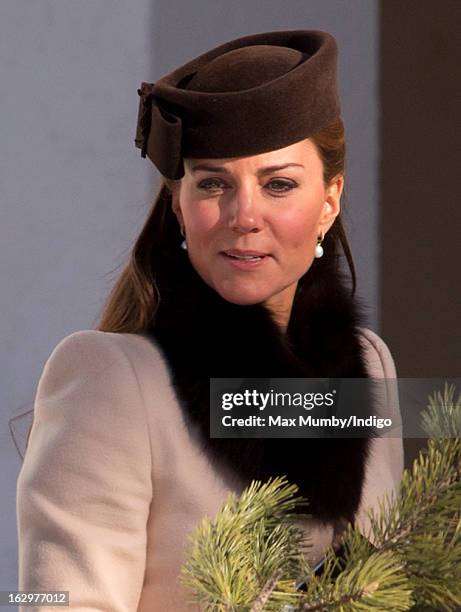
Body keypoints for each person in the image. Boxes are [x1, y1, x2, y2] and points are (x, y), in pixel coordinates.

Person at [16, 29, 404, 611]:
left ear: (329, 200)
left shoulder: (367, 363)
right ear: (178, 205)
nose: (244, 216)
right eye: (214, 184)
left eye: (278, 184)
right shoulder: (112, 378)